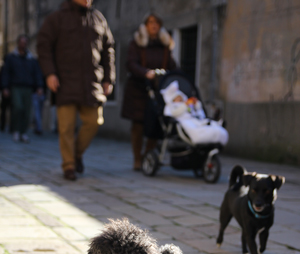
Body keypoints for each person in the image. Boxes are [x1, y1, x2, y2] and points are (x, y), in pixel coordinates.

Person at [37, 0, 115, 181]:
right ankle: (69, 165)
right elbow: (43, 46)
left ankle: (76, 154)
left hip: (92, 83)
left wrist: (108, 79)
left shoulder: (99, 18)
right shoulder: (56, 18)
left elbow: (108, 49)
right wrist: (50, 73)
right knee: (66, 128)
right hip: (65, 83)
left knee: (95, 120)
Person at [121, 13, 177, 170]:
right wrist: (145, 72)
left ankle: (148, 155)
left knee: (156, 125)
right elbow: (131, 63)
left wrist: (177, 76)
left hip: (157, 90)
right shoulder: (136, 44)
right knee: (138, 126)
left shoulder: (164, 46)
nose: (153, 26)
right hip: (138, 90)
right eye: (150, 23)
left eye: (156, 23)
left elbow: (172, 65)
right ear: (145, 25)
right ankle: (137, 158)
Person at [1, 35, 44, 143]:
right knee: (18, 107)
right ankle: (16, 130)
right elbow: (6, 74)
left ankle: (23, 132)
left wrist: (39, 86)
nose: (24, 45)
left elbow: (37, 74)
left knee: (26, 110)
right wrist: (5, 87)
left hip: (28, 87)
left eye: (25, 43)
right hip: (15, 87)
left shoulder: (31, 60)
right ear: (18, 43)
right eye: (22, 42)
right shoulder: (11, 58)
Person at [160, 80, 229, 146]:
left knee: (203, 122)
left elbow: (196, 113)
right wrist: (185, 105)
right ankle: (206, 133)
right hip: (183, 121)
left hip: (194, 119)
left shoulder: (186, 104)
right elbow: (174, 113)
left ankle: (216, 125)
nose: (180, 99)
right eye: (177, 98)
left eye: (180, 97)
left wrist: (196, 105)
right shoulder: (172, 106)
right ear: (173, 99)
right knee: (193, 128)